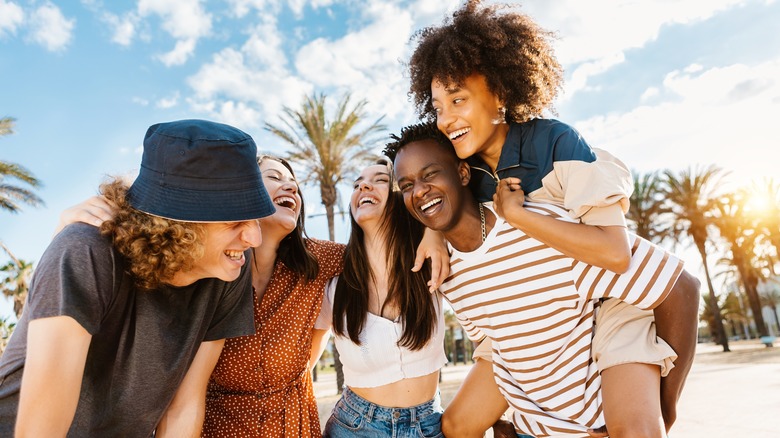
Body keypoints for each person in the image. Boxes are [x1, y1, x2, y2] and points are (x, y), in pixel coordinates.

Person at [407, 1, 698, 434]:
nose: (445, 120)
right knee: (458, 422)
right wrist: (431, 234)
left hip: (609, 300)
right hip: (536, 319)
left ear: (500, 93)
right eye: (437, 107)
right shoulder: (465, 168)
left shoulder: (557, 144)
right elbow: (430, 191)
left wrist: (519, 216)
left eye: (458, 100)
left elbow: (616, 254)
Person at [386, 123, 700, 438]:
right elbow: (491, 341)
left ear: (463, 173)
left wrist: (665, 408)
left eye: (430, 174)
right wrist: (500, 415)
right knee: (454, 428)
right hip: (536, 419)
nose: (419, 191)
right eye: (407, 185)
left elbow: (681, 286)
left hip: (598, 406)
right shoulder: (443, 269)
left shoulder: (540, 230)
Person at [0, 119, 275, 437]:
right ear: (177, 224)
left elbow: (183, 408)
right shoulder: (84, 250)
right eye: (234, 221)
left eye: (255, 218)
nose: (254, 238)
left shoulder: (231, 267)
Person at [53, 155, 345, 437]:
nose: (291, 186)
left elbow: (369, 255)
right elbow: (150, 229)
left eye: (294, 182)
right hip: (219, 428)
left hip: (293, 425)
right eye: (274, 177)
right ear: (244, 191)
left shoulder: (317, 259)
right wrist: (71, 227)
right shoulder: (206, 271)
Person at [315, 160, 449, 437]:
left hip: (428, 425)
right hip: (353, 427)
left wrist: (434, 229)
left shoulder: (434, 262)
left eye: (380, 180)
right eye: (357, 184)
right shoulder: (333, 288)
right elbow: (303, 363)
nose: (364, 186)